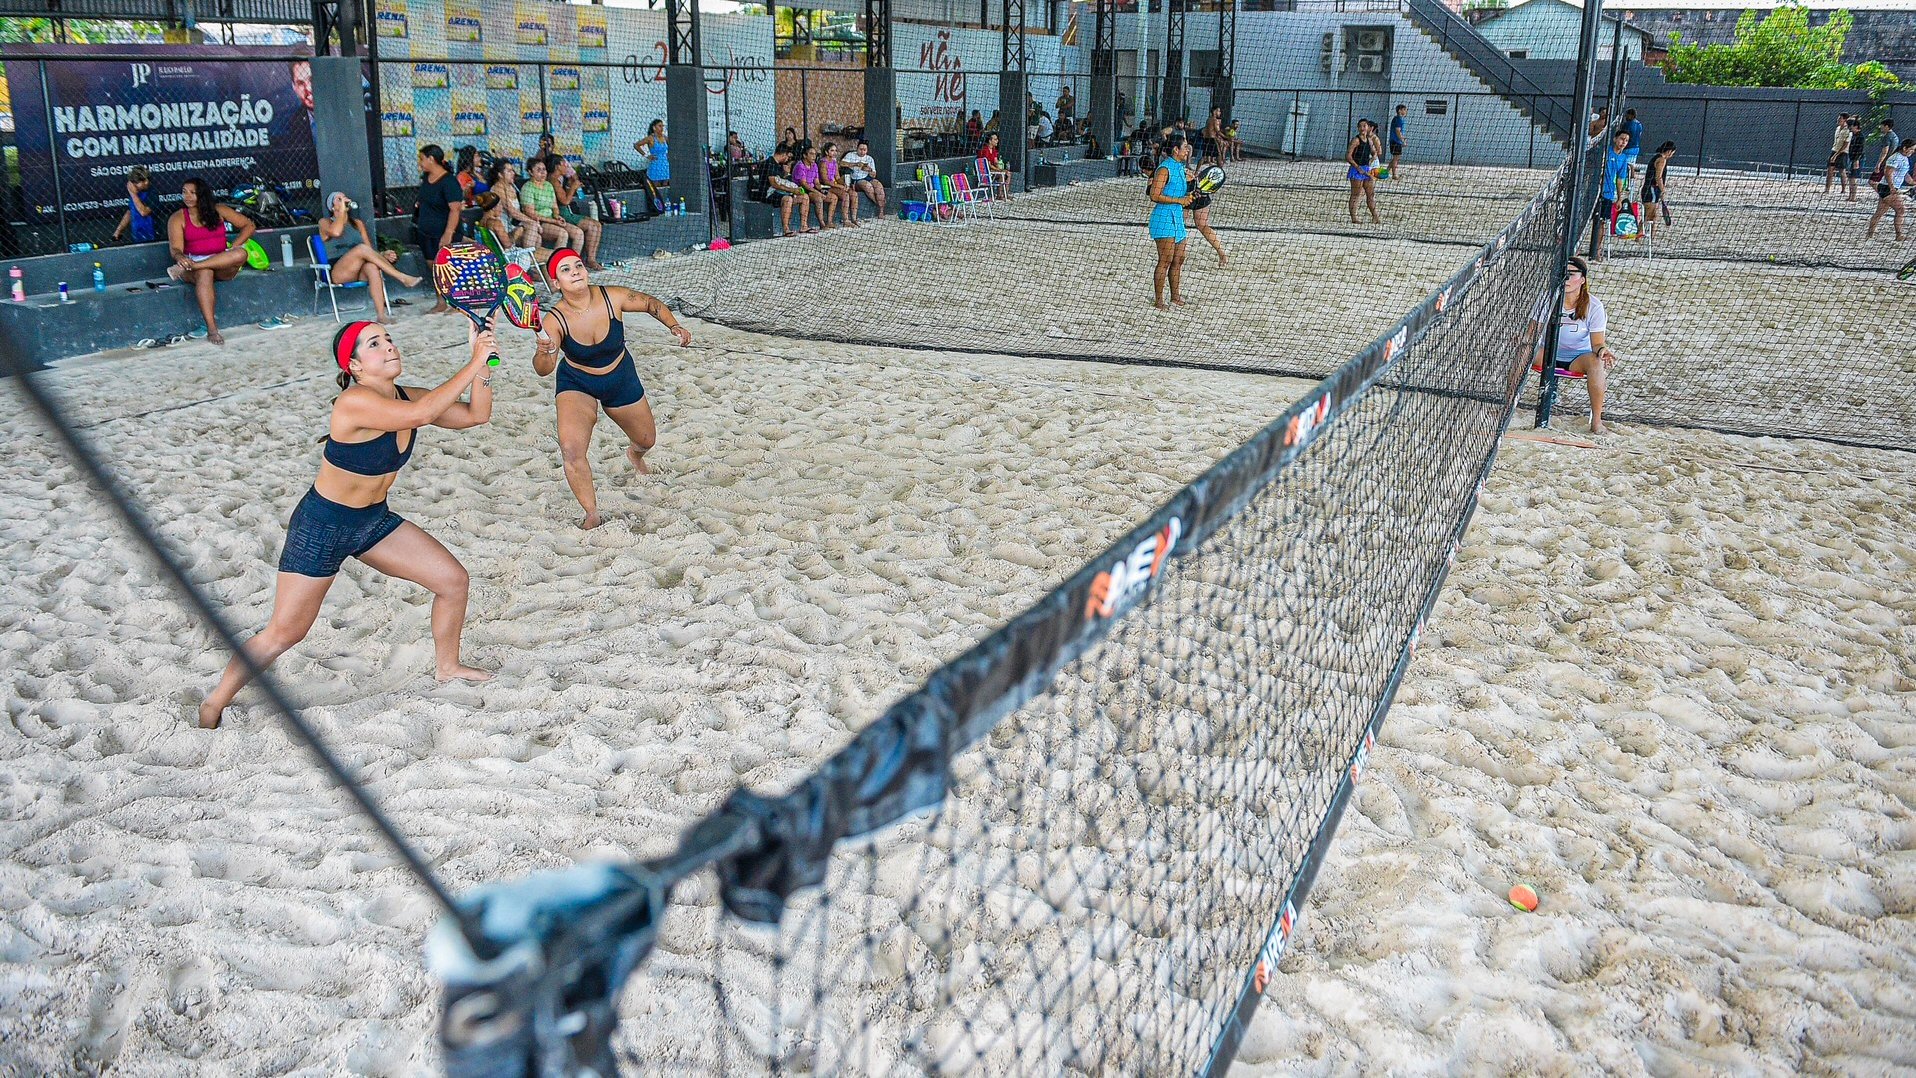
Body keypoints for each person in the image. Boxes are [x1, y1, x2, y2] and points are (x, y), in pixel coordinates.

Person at [197, 321, 497, 728]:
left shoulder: (405, 395)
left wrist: (484, 365)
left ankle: (448, 666)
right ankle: (214, 702)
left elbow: (476, 415)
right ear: (354, 366)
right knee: (285, 633)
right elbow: (421, 414)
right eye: (375, 344)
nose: (389, 346)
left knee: (453, 581)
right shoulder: (354, 402)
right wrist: (472, 358)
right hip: (322, 526)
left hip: (373, 521)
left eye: (389, 338)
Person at [531, 250, 691, 530]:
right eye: (566, 270)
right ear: (556, 283)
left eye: (578, 265)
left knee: (647, 440)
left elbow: (650, 303)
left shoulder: (611, 296)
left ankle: (634, 455)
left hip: (620, 376)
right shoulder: (554, 320)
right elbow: (544, 369)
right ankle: (591, 513)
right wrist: (544, 352)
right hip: (577, 382)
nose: (576, 272)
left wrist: (674, 325)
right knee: (571, 449)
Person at [1534, 256, 1619, 435]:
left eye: (1571, 274)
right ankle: (1507, 405)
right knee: (1522, 351)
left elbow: (1596, 343)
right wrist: (1522, 342)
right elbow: (1532, 334)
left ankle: (1596, 421)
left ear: (1582, 279)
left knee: (1596, 362)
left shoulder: (1594, 306)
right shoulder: (1546, 298)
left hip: (1576, 359)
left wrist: (1603, 351)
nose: (1566, 278)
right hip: (1546, 354)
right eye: (1563, 273)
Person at [165, 177, 255, 345]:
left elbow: (249, 225)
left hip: (219, 261)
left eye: (193, 193)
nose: (188, 196)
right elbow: (175, 249)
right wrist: (180, 258)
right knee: (205, 273)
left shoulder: (219, 210)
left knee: (241, 254)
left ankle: (195, 266)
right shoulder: (177, 218)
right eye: (184, 192)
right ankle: (212, 329)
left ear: (203, 194)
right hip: (192, 264)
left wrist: (233, 246)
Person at [318, 192, 422, 323]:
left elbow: (369, 250)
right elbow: (336, 232)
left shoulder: (357, 224)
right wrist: (341, 213)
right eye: (339, 199)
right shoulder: (325, 222)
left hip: (359, 268)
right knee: (360, 249)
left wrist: (383, 255)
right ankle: (402, 277)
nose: (344, 199)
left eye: (344, 197)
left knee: (372, 267)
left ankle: (381, 315)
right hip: (340, 271)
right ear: (332, 207)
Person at [413, 145, 466, 314]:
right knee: (433, 266)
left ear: (431, 159)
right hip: (426, 232)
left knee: (449, 266)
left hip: (444, 232)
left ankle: (459, 302)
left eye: (422, 159)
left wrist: (448, 233)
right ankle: (441, 301)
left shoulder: (449, 182)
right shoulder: (426, 179)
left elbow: (455, 209)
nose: (420, 163)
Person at [1148, 134, 1195, 310]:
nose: (1187, 150)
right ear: (1175, 150)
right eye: (1185, 147)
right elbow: (1154, 195)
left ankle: (1175, 296)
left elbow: (1179, 194)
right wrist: (1180, 201)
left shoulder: (1180, 168)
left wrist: (1188, 197)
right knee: (1165, 260)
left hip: (1177, 219)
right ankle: (1159, 300)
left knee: (1179, 259)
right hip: (1164, 219)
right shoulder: (1164, 169)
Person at [522, 156, 593, 263]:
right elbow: (531, 214)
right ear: (530, 172)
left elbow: (555, 206)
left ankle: (574, 263)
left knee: (578, 233)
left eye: (544, 169)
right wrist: (554, 221)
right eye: (538, 170)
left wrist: (557, 216)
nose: (543, 173)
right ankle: (557, 265)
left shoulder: (548, 185)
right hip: (539, 223)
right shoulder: (527, 188)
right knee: (562, 234)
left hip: (552, 220)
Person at [548, 156, 606, 269]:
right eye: (564, 164)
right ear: (557, 166)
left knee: (597, 224)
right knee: (592, 226)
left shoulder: (560, 179)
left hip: (567, 211)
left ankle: (591, 259)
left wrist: (571, 185)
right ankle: (589, 260)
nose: (567, 167)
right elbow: (564, 201)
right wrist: (573, 187)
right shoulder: (553, 180)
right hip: (561, 213)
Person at [1589, 129, 1632, 260]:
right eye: (1621, 139)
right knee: (1585, 220)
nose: (1623, 142)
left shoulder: (1623, 158)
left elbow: (1620, 179)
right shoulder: (1605, 152)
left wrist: (1619, 198)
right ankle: (1576, 247)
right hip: (1593, 191)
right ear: (1615, 139)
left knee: (1601, 222)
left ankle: (1596, 250)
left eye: (1626, 140)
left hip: (1608, 193)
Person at [1867, 138, 1912, 242]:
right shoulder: (1895, 157)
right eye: (1912, 149)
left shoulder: (1904, 158)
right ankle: (1899, 235)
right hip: (1887, 188)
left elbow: (1906, 176)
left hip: (1889, 188)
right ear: (1905, 148)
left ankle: (1870, 235)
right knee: (1901, 210)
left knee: (1879, 213)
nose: (1913, 152)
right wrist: (1892, 187)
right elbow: (1888, 173)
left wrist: (1913, 183)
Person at [1186, 157, 1227, 267]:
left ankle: (1176, 252)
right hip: (1201, 195)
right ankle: (1222, 254)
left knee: (1179, 225)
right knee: (1203, 226)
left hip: (1187, 192)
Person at [759, 149, 810, 235]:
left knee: (804, 197)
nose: (787, 159)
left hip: (781, 192)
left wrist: (786, 174)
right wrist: (793, 190)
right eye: (787, 157)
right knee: (787, 199)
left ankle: (804, 226)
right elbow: (774, 184)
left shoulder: (779, 165)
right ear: (783, 154)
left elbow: (783, 180)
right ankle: (786, 229)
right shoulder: (769, 163)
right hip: (769, 194)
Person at [1345, 119, 1383, 225]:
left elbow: (1375, 152)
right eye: (1360, 126)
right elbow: (1348, 156)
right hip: (1356, 170)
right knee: (1356, 195)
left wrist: (1371, 160)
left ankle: (1375, 217)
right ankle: (1354, 217)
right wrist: (1358, 168)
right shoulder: (1355, 140)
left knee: (1370, 194)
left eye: (1364, 126)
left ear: (1368, 127)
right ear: (1358, 128)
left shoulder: (1370, 140)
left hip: (1366, 170)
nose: (1362, 128)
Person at [111, 165, 158, 244]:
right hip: (137, 234)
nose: (133, 186)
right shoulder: (136, 193)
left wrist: (133, 194)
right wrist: (118, 231)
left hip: (152, 235)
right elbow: (130, 212)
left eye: (136, 183)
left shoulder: (152, 194)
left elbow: (144, 212)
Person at [792, 145, 833, 231]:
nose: (814, 156)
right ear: (804, 155)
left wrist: (821, 190)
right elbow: (804, 184)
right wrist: (818, 193)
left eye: (815, 154)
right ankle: (822, 223)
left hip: (812, 189)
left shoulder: (814, 165)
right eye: (811, 154)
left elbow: (816, 182)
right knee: (818, 198)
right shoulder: (800, 166)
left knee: (833, 198)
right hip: (802, 190)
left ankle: (830, 222)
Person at [843, 139, 887, 219]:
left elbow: (874, 175)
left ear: (867, 150)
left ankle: (881, 211)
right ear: (857, 148)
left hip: (868, 177)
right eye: (860, 149)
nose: (862, 152)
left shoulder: (869, 159)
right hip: (856, 179)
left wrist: (869, 170)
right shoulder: (850, 155)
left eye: (864, 150)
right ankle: (878, 203)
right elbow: (841, 164)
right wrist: (855, 164)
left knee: (879, 186)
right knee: (868, 186)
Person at [1641, 141, 1675, 243]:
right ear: (1669, 151)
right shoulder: (1661, 160)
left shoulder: (1656, 157)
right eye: (1672, 153)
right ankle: (1640, 235)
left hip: (1651, 190)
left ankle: (1651, 237)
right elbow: (1658, 177)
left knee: (1652, 215)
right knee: (1649, 215)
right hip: (1651, 190)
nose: (1672, 155)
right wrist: (1663, 190)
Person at [634, 118, 671, 212]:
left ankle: (666, 205)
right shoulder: (651, 138)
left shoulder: (665, 137)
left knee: (666, 185)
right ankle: (657, 207)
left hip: (665, 164)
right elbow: (637, 145)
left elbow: (671, 146)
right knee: (656, 187)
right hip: (656, 164)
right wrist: (647, 155)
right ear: (654, 127)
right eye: (660, 126)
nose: (662, 128)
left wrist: (668, 154)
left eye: (663, 126)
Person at [1825, 113, 1853, 197]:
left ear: (1845, 120)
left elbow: (1845, 144)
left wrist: (1836, 155)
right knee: (1830, 169)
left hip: (1843, 152)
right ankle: (1827, 189)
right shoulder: (1837, 128)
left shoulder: (1848, 131)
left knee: (1842, 171)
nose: (1838, 120)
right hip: (1834, 150)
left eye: (1840, 118)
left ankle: (1843, 190)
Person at [980, 131, 1011, 200]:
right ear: (990, 141)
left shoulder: (993, 150)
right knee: (1001, 174)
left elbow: (996, 162)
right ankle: (999, 195)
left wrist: (1002, 169)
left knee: (1008, 173)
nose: (997, 141)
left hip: (993, 170)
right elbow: (989, 165)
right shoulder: (985, 150)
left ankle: (1006, 193)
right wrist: (1000, 170)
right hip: (986, 172)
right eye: (995, 139)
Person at [1846, 117, 1868, 202]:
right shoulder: (1854, 135)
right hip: (1853, 158)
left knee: (1853, 177)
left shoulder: (1860, 137)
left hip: (1857, 159)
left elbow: (1860, 149)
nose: (1849, 128)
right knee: (1851, 177)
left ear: (1856, 126)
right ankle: (1850, 195)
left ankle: (1853, 196)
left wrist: (1856, 160)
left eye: (1851, 126)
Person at [1388, 104, 1408, 177]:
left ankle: (1386, 171)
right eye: (1404, 109)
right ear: (1400, 110)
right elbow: (1397, 131)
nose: (1406, 111)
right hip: (1395, 141)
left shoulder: (1397, 119)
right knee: (1396, 158)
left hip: (1395, 141)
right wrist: (1402, 140)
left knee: (1396, 158)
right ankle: (1394, 174)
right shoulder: (1398, 119)